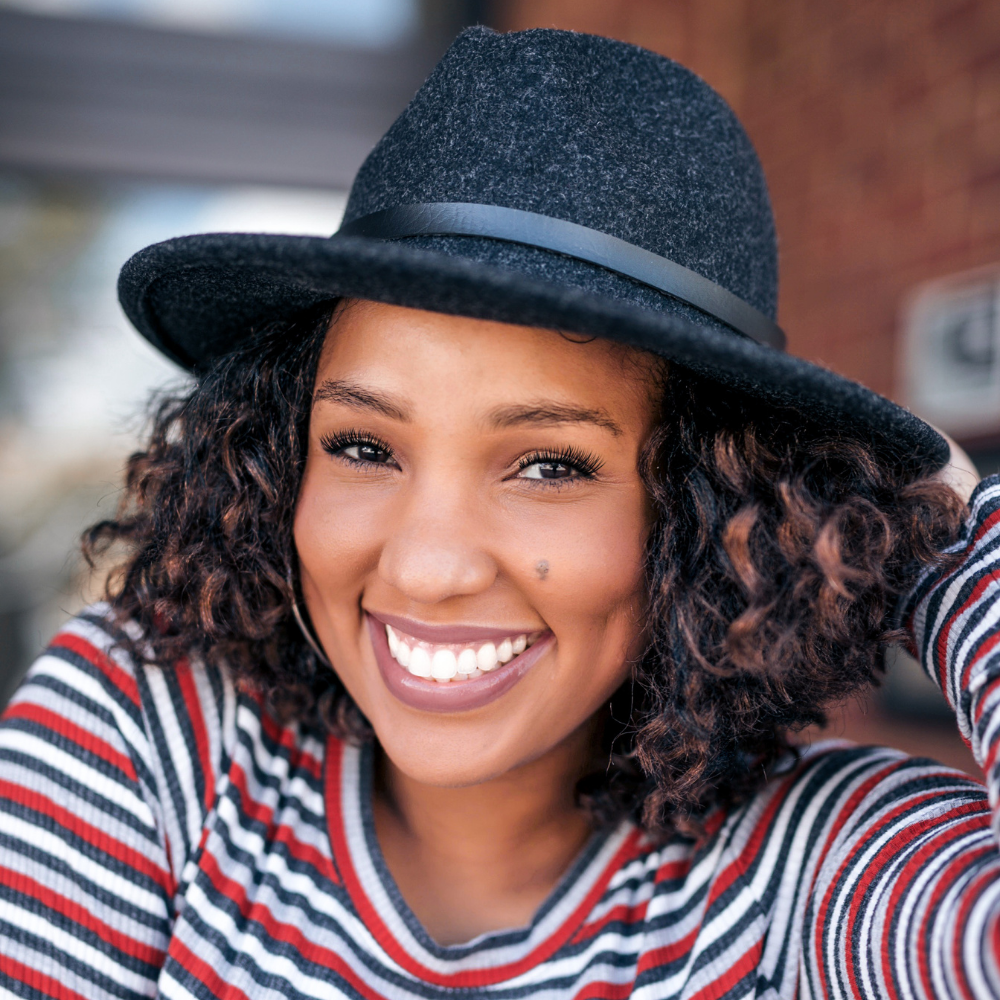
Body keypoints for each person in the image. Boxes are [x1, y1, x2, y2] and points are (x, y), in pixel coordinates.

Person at [0, 24, 997, 1000]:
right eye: (361, 446)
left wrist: (934, 536)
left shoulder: (803, 865)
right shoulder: (155, 723)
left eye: (550, 465)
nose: (427, 567)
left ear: (713, 519)